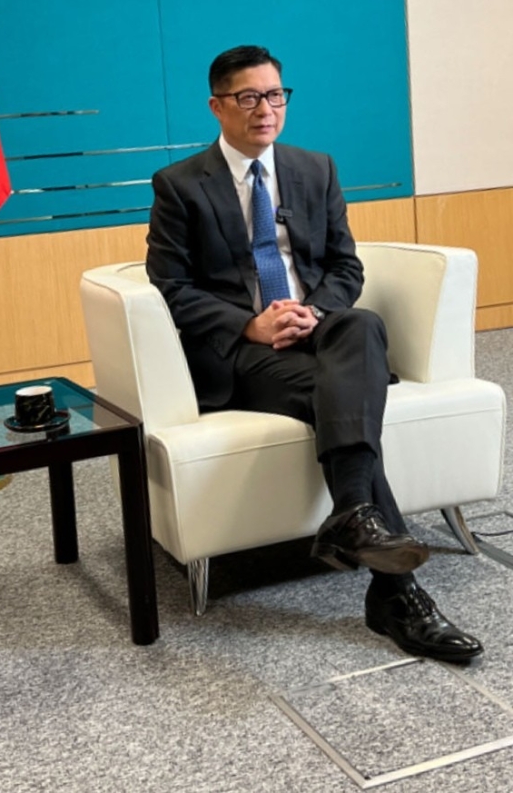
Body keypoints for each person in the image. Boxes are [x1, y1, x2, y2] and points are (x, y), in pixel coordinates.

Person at [146, 44, 483, 662]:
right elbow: (170, 286)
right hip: (244, 350)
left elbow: (345, 265)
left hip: (316, 325)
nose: (266, 110)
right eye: (249, 97)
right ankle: (397, 593)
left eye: (275, 95)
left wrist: (314, 312)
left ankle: (353, 515)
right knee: (340, 395)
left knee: (363, 325)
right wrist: (251, 325)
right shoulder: (180, 185)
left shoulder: (315, 168)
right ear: (218, 106)